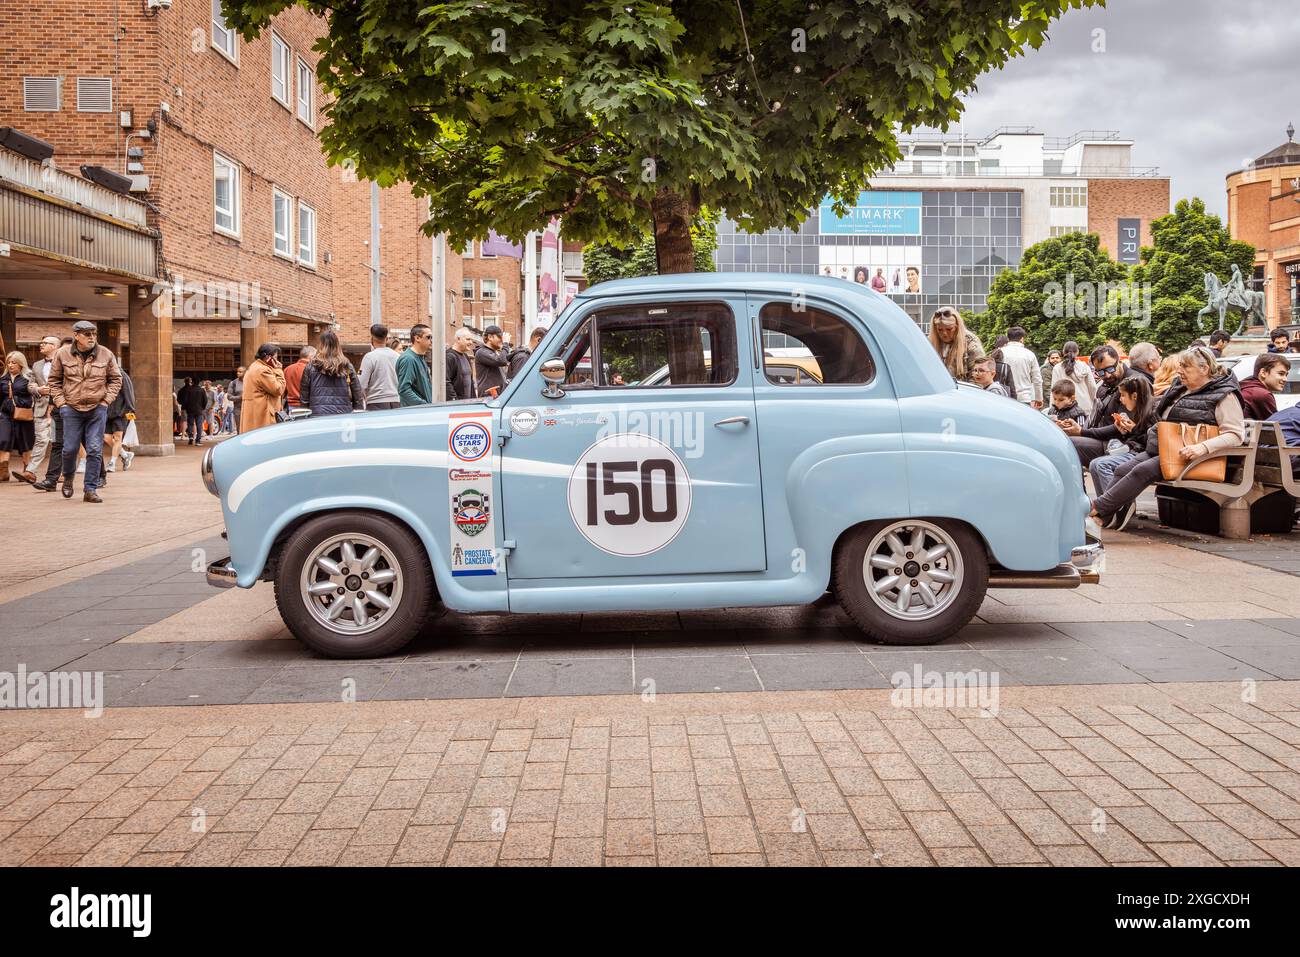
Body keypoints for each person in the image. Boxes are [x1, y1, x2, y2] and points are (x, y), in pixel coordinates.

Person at [1091, 345, 1246, 531]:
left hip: (1192, 456)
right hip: (1164, 448)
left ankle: (1095, 511)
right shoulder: (1181, 388)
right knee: (1122, 469)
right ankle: (1102, 517)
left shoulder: (1224, 394)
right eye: (1180, 366)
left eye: (1186, 367)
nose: (1180, 371)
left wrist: (1202, 448)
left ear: (1204, 369)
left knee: (1142, 471)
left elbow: (1235, 434)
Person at [49, 320, 121, 502]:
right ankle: (68, 479)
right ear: (76, 336)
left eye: (94, 334)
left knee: (95, 449)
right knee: (69, 449)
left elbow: (115, 379)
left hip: (97, 408)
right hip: (71, 408)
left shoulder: (105, 354)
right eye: (87, 334)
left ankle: (90, 489)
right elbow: (54, 381)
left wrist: (106, 401)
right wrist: (61, 404)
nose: (91, 337)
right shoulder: (62, 354)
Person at [1057, 344, 1132, 468]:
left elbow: (1121, 428)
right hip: (1104, 439)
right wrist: (1077, 428)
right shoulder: (1104, 385)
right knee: (1061, 439)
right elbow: (1095, 417)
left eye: (1110, 369)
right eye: (1101, 372)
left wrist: (1082, 431)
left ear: (1119, 361)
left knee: (1065, 444)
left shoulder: (1131, 383)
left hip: (1119, 444)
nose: (1107, 375)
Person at [1088, 374, 1156, 500]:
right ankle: (1104, 503)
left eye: (1123, 395)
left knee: (1102, 464)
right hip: (1135, 451)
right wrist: (1126, 431)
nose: (1121, 400)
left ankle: (1116, 506)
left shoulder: (1152, 412)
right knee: (1093, 464)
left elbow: (1152, 443)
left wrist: (1133, 430)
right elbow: (1139, 436)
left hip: (1143, 455)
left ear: (1134, 396)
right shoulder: (1137, 411)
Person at [299, 330, 363, 416]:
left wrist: (305, 415)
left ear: (320, 345)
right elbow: (357, 394)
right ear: (337, 345)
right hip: (343, 415)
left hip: (317, 415)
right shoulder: (346, 366)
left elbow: (304, 397)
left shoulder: (311, 366)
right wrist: (358, 412)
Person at [27, 335, 61, 483]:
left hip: (60, 408)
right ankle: (30, 471)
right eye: (41, 342)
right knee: (41, 440)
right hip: (41, 409)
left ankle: (63, 473)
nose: (41, 345)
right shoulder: (37, 365)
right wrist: (38, 389)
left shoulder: (65, 362)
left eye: (45, 343)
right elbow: (30, 384)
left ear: (54, 346)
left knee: (60, 442)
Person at [0, 352, 37, 483]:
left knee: (25, 442)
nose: (10, 365)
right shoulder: (3, 379)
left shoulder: (29, 378)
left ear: (21, 364)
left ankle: (28, 470)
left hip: (23, 415)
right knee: (3, 439)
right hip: (5, 415)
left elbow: (35, 395)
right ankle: (3, 471)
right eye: (9, 362)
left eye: (14, 362)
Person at [927, 308, 985, 382]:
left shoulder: (972, 344)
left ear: (957, 327)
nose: (944, 334)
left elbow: (979, 377)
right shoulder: (929, 343)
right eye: (940, 330)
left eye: (949, 329)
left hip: (964, 390)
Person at [241, 344, 287, 432]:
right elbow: (279, 389)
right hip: (263, 414)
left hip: (255, 413)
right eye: (276, 357)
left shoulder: (253, 367)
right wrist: (278, 370)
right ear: (269, 358)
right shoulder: (263, 370)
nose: (277, 361)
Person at [358, 322, 401, 411]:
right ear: (386, 338)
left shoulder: (369, 357)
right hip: (397, 401)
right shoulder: (397, 356)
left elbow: (361, 384)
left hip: (376, 402)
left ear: (372, 338)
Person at [999, 326, 1043, 408]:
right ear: (1022, 339)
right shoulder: (1030, 354)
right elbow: (1037, 379)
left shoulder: (1000, 352)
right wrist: (1039, 398)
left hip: (1004, 396)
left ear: (1008, 338)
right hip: (1024, 397)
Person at [103, 367, 136, 473]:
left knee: (118, 438)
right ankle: (125, 455)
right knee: (106, 437)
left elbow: (129, 395)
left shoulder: (123, 376)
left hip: (121, 413)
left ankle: (112, 463)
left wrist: (130, 412)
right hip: (107, 413)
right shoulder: (103, 377)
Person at [1051, 341, 1097, 415]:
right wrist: (1093, 402)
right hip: (1085, 406)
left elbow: (1054, 389)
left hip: (1064, 407)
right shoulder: (1085, 366)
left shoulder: (1058, 368)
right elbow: (1093, 387)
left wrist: (1052, 408)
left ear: (1063, 352)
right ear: (1077, 352)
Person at [1239, 353, 1287, 420]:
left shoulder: (1246, 386)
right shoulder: (1261, 394)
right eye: (1281, 374)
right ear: (1263, 373)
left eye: (1286, 375)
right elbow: (1275, 427)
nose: (1285, 379)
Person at [398, 324, 435, 406]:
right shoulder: (408, 359)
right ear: (417, 338)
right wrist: (423, 404)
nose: (431, 340)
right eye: (428, 337)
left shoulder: (420, 357)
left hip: (422, 410)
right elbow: (404, 390)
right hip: (414, 413)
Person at [475, 324, 510, 398]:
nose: (502, 340)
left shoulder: (494, 352)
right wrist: (506, 344)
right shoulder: (482, 352)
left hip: (496, 396)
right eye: (499, 337)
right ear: (490, 337)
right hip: (488, 397)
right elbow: (502, 361)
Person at [443, 327, 476, 402]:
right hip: (457, 405)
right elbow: (446, 382)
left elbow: (470, 381)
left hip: (468, 404)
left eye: (471, 340)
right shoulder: (449, 356)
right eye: (468, 339)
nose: (471, 342)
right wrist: (454, 401)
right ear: (458, 339)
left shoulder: (466, 356)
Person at [177, 377, 207, 445]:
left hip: (190, 409)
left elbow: (185, 400)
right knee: (199, 425)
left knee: (190, 424)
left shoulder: (188, 390)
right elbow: (205, 400)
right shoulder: (202, 390)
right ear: (199, 382)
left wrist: (186, 407)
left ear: (192, 382)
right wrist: (202, 407)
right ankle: (198, 440)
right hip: (199, 410)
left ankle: (190, 436)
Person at [228, 367, 245, 434]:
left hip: (249, 408)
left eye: (240, 372)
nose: (238, 373)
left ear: (245, 373)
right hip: (238, 408)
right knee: (239, 428)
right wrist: (240, 397)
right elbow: (229, 397)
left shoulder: (250, 382)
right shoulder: (233, 383)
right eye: (237, 371)